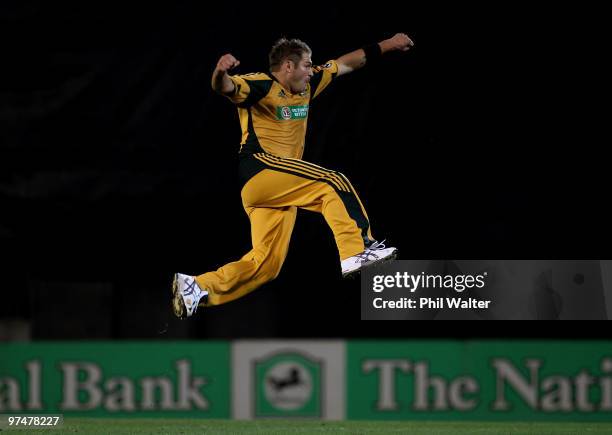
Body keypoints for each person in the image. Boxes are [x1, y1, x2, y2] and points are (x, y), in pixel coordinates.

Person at [172, 33, 414, 318]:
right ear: (288, 66)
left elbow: (347, 63)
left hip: (277, 190)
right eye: (307, 65)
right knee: (332, 183)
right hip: (262, 171)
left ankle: (196, 287)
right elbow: (225, 87)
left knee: (267, 265)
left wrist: (390, 44)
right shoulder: (261, 84)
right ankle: (357, 249)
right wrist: (220, 71)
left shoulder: (307, 87)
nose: (312, 71)